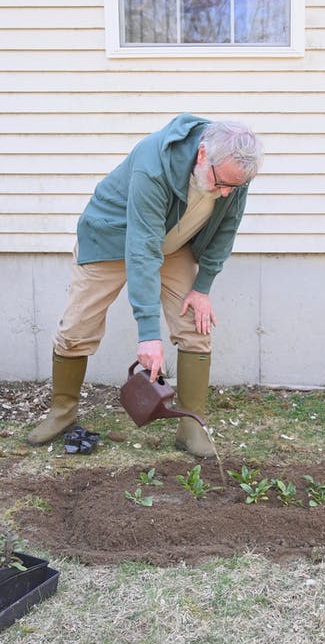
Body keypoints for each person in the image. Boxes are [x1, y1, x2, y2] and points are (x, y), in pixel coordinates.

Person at [27, 113, 263, 458]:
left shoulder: (232, 171)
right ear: (202, 156)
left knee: (194, 325)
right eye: (221, 183)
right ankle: (62, 414)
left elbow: (226, 229)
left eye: (234, 187)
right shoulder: (154, 162)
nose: (225, 192)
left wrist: (202, 287)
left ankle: (191, 425)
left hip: (171, 245)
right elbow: (142, 248)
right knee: (78, 328)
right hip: (111, 239)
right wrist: (149, 334)